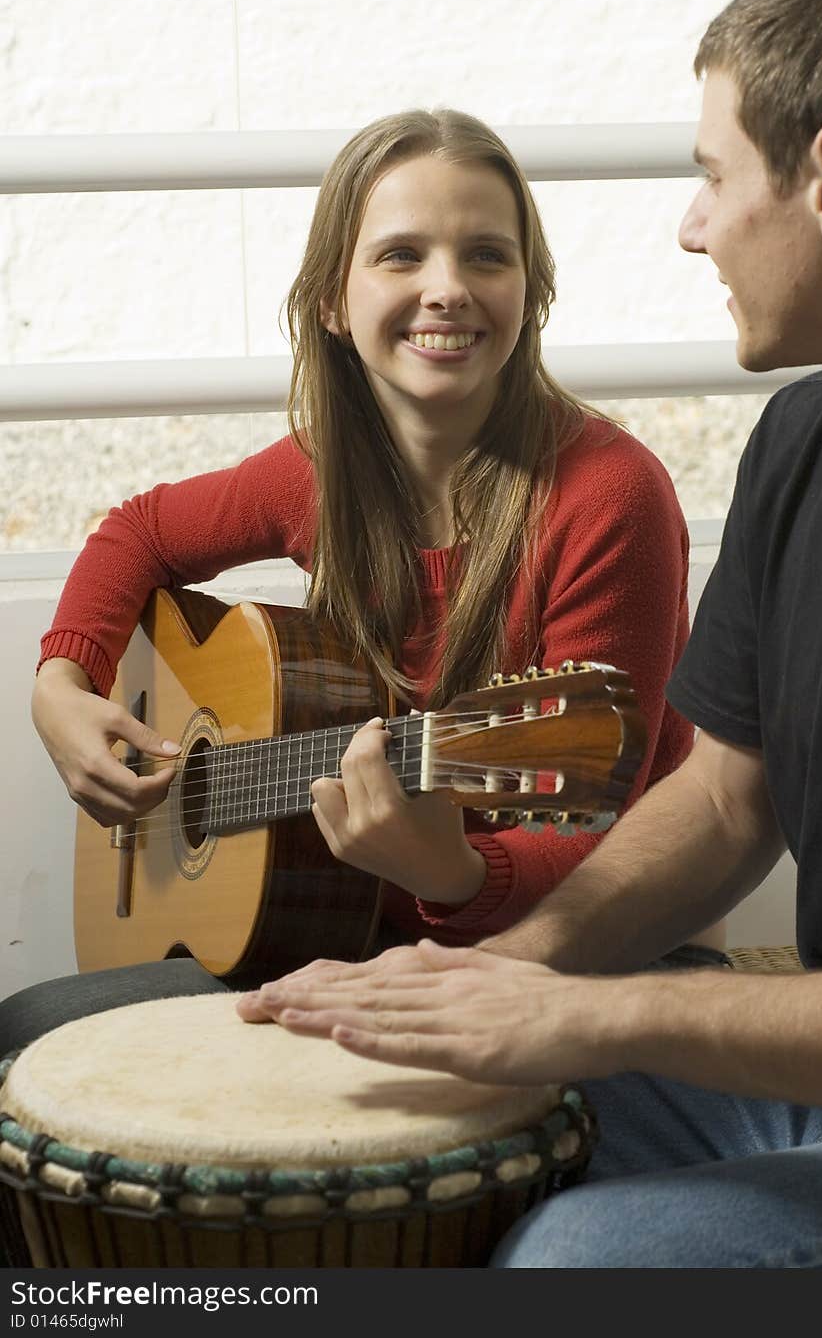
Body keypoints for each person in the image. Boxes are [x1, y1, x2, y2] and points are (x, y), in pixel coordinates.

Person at [237, 0, 822, 1269]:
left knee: (578, 1259)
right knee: (338, 1117)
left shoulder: (607, 487)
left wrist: (600, 1019)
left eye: (710, 177)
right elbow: (722, 801)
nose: (690, 230)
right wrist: (507, 969)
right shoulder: (806, 438)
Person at [6, 108, 716, 1054]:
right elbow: (139, 532)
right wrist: (61, 685)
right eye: (401, 255)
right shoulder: (321, 472)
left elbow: (597, 836)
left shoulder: (607, 496)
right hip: (345, 935)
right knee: (25, 1037)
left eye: (487, 256)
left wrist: (454, 871)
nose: (447, 289)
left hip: (582, 954)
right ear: (334, 301)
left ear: (532, 291)